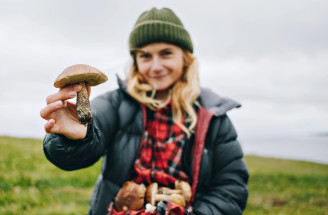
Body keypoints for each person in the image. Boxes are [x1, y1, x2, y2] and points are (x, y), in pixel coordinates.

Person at [40, 7, 249, 215]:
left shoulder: (213, 116)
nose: (156, 66)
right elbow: (82, 143)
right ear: (136, 61)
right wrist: (75, 139)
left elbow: (230, 189)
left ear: (185, 58)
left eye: (166, 53)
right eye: (146, 56)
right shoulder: (116, 103)